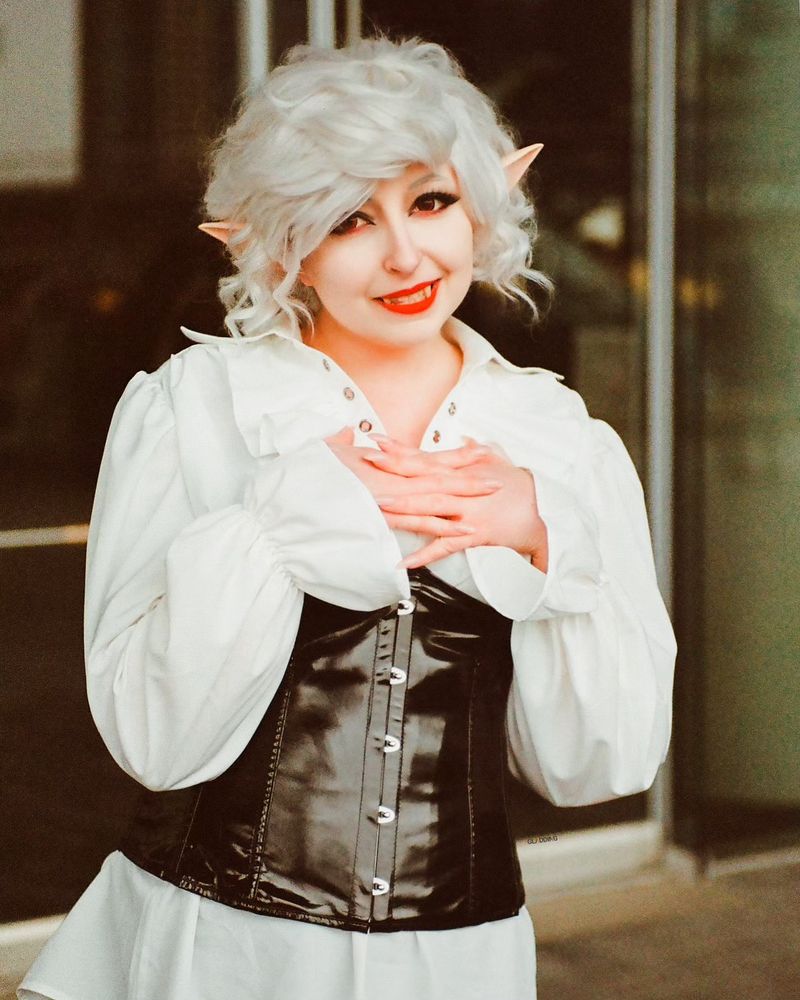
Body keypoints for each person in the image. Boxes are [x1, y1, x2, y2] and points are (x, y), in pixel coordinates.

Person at [18, 34, 676, 1000]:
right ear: (276, 240)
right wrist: (277, 525)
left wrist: (547, 535)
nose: (406, 253)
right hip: (219, 950)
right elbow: (156, 744)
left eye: (432, 201)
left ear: (484, 204)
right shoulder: (195, 407)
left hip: (457, 962)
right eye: (348, 218)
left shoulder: (558, 439)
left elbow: (599, 762)